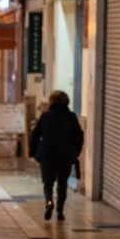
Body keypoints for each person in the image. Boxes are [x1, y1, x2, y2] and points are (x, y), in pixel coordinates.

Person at [28, 90, 85, 221]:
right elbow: (79, 136)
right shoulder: (71, 116)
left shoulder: (46, 116)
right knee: (62, 184)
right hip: (65, 156)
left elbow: (35, 136)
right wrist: (75, 152)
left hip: (47, 156)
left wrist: (33, 152)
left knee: (48, 184)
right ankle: (60, 210)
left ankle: (49, 204)